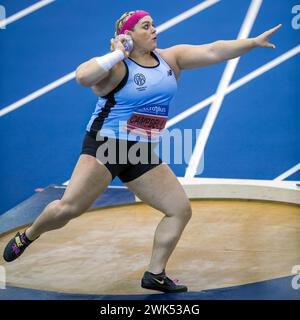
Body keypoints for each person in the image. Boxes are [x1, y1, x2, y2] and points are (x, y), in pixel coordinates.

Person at [3, 10, 281, 293]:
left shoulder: (170, 58)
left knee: (179, 210)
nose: (154, 30)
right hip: (106, 146)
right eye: (145, 27)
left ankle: (155, 274)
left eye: (153, 25)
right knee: (68, 209)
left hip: (141, 151)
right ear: (128, 36)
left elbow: (212, 50)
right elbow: (83, 77)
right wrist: (116, 55)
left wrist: (252, 42)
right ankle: (29, 235)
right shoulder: (116, 69)